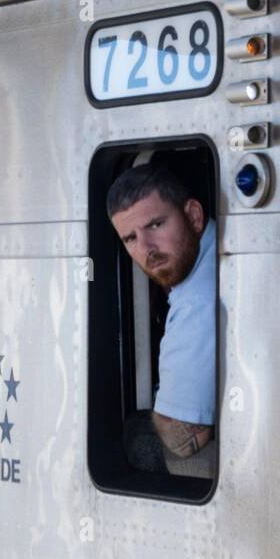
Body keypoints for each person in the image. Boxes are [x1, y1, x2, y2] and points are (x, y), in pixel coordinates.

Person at [107, 163, 216, 460]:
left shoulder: (199, 303)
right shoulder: (208, 256)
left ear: (193, 216)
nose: (146, 248)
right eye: (130, 238)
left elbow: (182, 442)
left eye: (155, 225)